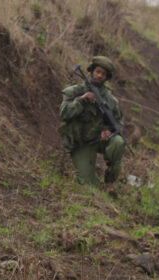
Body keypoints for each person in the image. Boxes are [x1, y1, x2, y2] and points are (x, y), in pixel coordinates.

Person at [59, 56, 126, 186]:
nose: (100, 76)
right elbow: (64, 114)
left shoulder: (111, 100)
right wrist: (81, 100)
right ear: (91, 71)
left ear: (107, 78)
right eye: (98, 72)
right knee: (87, 184)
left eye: (104, 74)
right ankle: (91, 175)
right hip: (82, 142)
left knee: (118, 142)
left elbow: (118, 123)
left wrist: (108, 131)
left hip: (100, 140)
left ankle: (110, 182)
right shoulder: (75, 91)